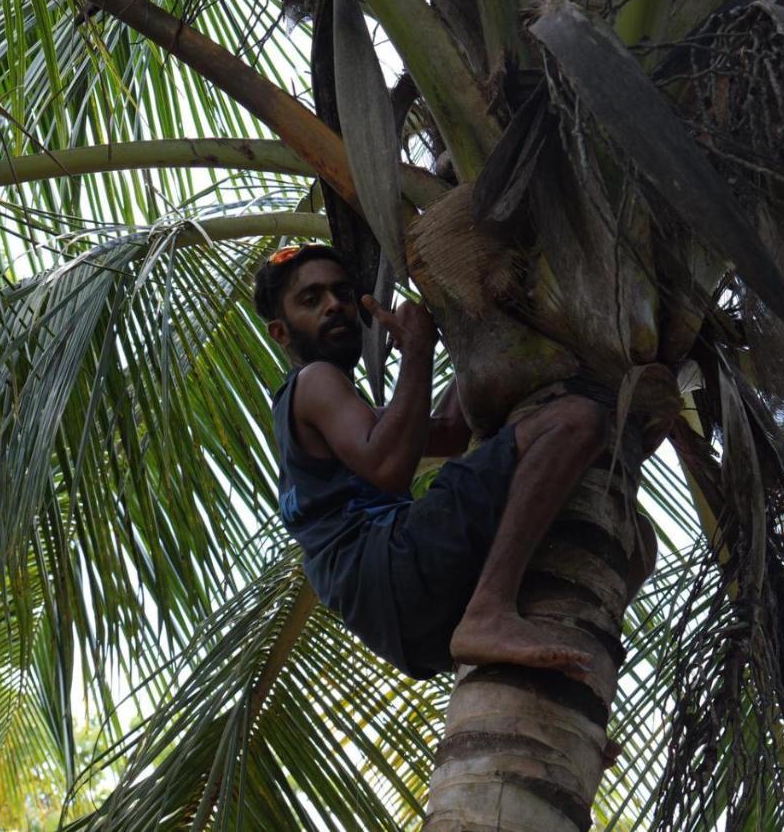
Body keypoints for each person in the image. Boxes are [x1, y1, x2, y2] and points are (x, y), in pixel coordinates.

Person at [253, 243, 609, 682]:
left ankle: (562, 699)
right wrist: (418, 351)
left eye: (342, 294)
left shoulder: (320, 422)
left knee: (634, 545)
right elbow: (388, 466)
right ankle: (491, 607)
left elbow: (448, 431)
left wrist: (470, 329)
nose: (333, 306)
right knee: (575, 420)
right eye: (311, 300)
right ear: (281, 333)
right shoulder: (315, 381)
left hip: (407, 631)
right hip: (396, 565)